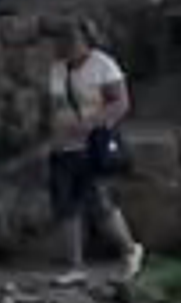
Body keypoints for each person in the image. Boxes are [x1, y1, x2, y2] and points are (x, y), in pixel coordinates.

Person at [44, 20, 141, 274]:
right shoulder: (58, 69)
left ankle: (129, 249)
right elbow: (57, 104)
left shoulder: (103, 65)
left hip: (92, 142)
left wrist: (91, 123)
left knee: (97, 200)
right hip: (64, 144)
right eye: (64, 40)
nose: (67, 45)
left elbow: (120, 103)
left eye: (73, 40)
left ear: (87, 41)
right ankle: (75, 266)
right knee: (65, 204)